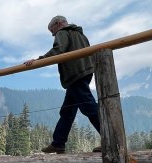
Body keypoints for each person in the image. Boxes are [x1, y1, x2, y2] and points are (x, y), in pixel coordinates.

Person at [25, 15, 100, 154]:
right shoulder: (79, 34)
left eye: (52, 31)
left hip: (75, 74)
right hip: (85, 72)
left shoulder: (63, 32)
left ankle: (109, 137)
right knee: (68, 111)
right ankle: (58, 142)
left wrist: (38, 60)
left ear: (58, 24)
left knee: (88, 106)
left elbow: (58, 50)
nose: (53, 34)